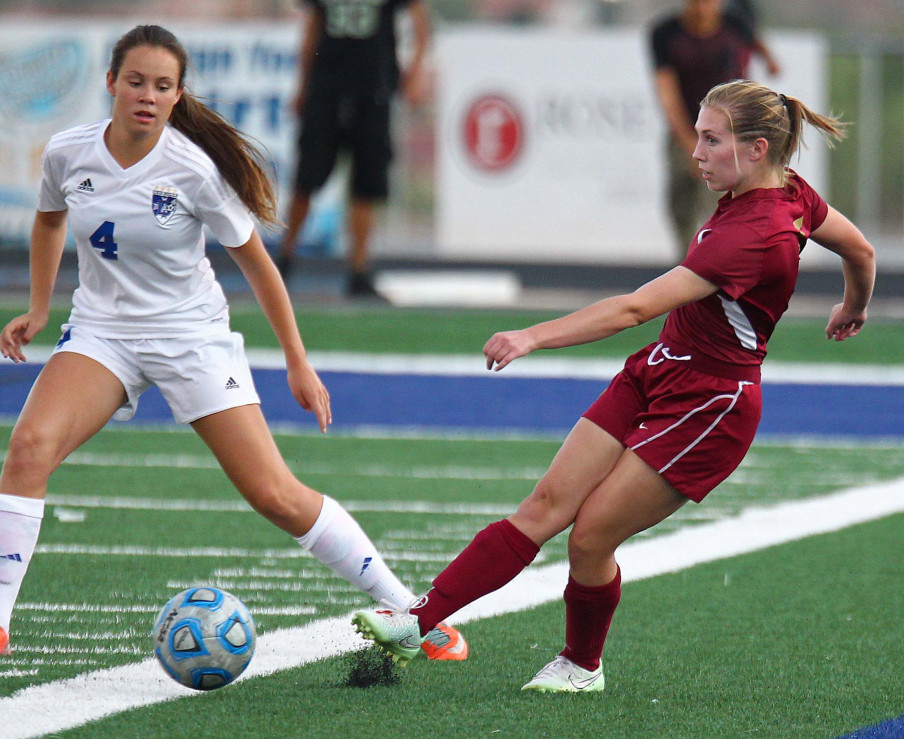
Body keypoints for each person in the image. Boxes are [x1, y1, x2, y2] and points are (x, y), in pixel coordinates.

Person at [0, 24, 466, 663]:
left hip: (192, 340)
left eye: (162, 86)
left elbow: (259, 268)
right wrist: (38, 305)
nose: (147, 94)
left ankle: (415, 613)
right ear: (110, 83)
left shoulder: (194, 170)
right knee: (28, 447)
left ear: (176, 95)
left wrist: (298, 363)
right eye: (135, 81)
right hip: (103, 335)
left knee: (274, 494)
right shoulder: (67, 152)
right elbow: (50, 219)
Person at [352, 79, 876, 692]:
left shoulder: (752, 232)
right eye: (699, 136)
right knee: (546, 506)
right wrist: (854, 305)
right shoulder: (790, 192)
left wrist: (533, 336)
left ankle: (582, 665)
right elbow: (860, 249)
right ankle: (416, 623)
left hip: (711, 405)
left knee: (591, 535)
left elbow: (632, 309)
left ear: (756, 149)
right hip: (658, 369)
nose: (697, 152)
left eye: (711, 140)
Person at [275, 0, 431, 298]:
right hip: (327, 88)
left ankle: (359, 269)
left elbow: (419, 15)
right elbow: (313, 27)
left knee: (366, 184)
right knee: (306, 179)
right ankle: (284, 260)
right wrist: (304, 85)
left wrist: (416, 69)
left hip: (374, 90)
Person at [650, 0, 781, 255]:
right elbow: (667, 92)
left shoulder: (734, 23)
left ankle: (718, 266)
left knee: (719, 202)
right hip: (686, 127)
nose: (703, 8)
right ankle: (687, 263)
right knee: (681, 201)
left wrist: (769, 61)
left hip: (728, 132)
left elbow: (756, 42)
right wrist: (689, 140)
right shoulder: (666, 33)